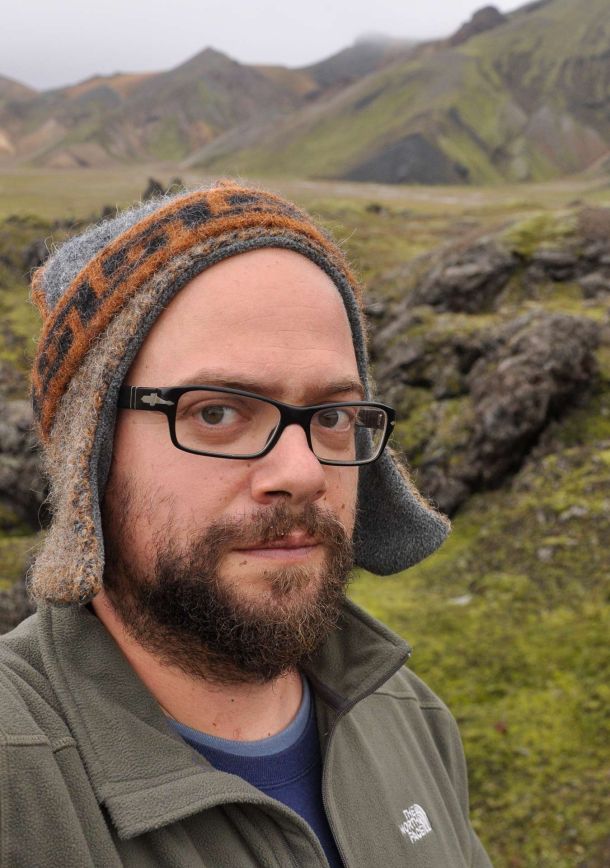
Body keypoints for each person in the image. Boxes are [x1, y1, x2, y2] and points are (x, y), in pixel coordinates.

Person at [0, 182, 492, 867]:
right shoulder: (18, 782)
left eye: (331, 416)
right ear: (93, 453)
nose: (303, 471)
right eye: (218, 413)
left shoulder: (408, 716)